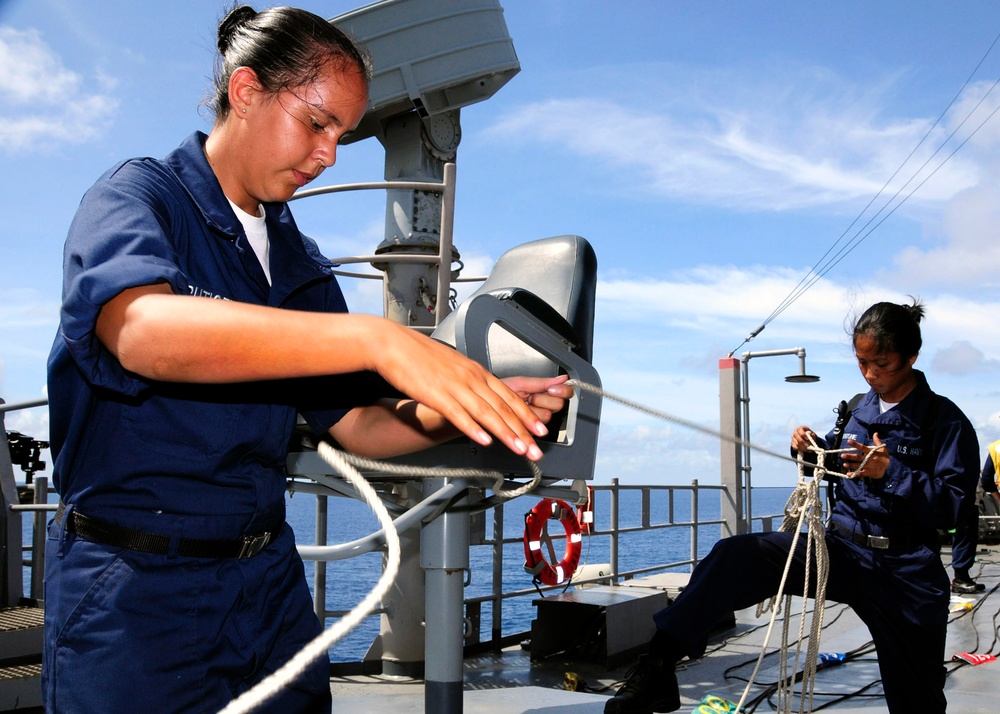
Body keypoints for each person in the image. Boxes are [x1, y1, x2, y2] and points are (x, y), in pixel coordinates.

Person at [43, 6, 573, 713]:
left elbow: (357, 425)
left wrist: (470, 409)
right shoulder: (140, 197)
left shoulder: (300, 265)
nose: (328, 155)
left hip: (266, 586)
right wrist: (378, 339)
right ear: (245, 91)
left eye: (341, 135)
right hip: (134, 590)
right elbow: (140, 332)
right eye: (317, 123)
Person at [604, 300, 979, 714]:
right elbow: (831, 461)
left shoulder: (945, 422)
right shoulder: (858, 407)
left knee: (918, 699)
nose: (871, 374)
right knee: (737, 555)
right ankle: (657, 668)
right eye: (862, 362)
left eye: (882, 364)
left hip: (905, 570)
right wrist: (808, 447)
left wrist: (890, 472)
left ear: (911, 357)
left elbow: (956, 507)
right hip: (841, 552)